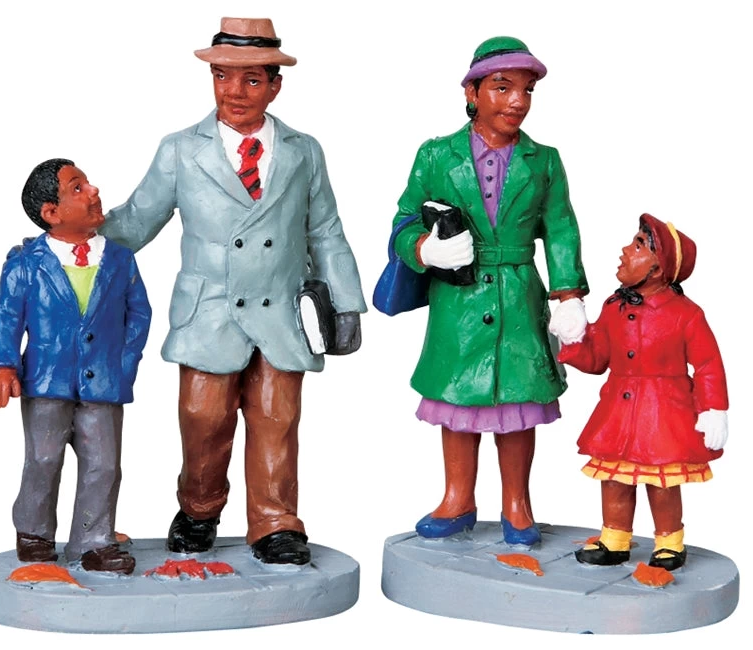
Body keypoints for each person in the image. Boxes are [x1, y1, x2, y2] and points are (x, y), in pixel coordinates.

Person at [100, 18, 366, 565]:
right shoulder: (180, 150)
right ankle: (199, 508)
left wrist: (345, 303)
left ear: (275, 85)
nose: (234, 91)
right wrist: (82, 232)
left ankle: (275, 521)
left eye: (250, 80)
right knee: (203, 420)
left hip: (279, 315)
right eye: (222, 76)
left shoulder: (303, 151)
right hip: (208, 315)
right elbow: (138, 221)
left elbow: (325, 231)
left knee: (277, 420)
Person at [391, 36, 588, 544]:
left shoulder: (544, 161)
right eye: (503, 87)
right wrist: (424, 249)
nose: (517, 101)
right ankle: (457, 497)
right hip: (458, 300)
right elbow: (406, 218)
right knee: (457, 402)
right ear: (472, 92)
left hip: (519, 297)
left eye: (526, 90)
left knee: (518, 405)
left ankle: (516, 502)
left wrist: (568, 293)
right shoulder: (436, 155)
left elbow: (561, 228)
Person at [0, 159, 151, 574]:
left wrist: (124, 365)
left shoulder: (120, 259)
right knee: (43, 460)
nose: (93, 191)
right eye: (77, 188)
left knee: (104, 466)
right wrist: (2, 366)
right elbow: (7, 316)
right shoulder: (25, 263)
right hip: (45, 383)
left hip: (104, 385)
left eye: (87, 183)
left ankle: (93, 541)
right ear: (51, 213)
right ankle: (34, 532)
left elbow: (139, 315)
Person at [557, 214, 728, 570]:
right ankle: (615, 538)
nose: (625, 250)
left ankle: (669, 542)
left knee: (662, 483)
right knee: (614, 480)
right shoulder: (613, 307)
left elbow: (708, 362)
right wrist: (574, 338)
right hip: (619, 411)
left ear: (658, 267)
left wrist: (714, 408)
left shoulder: (686, 314)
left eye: (638, 246)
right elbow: (598, 359)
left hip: (664, 413)